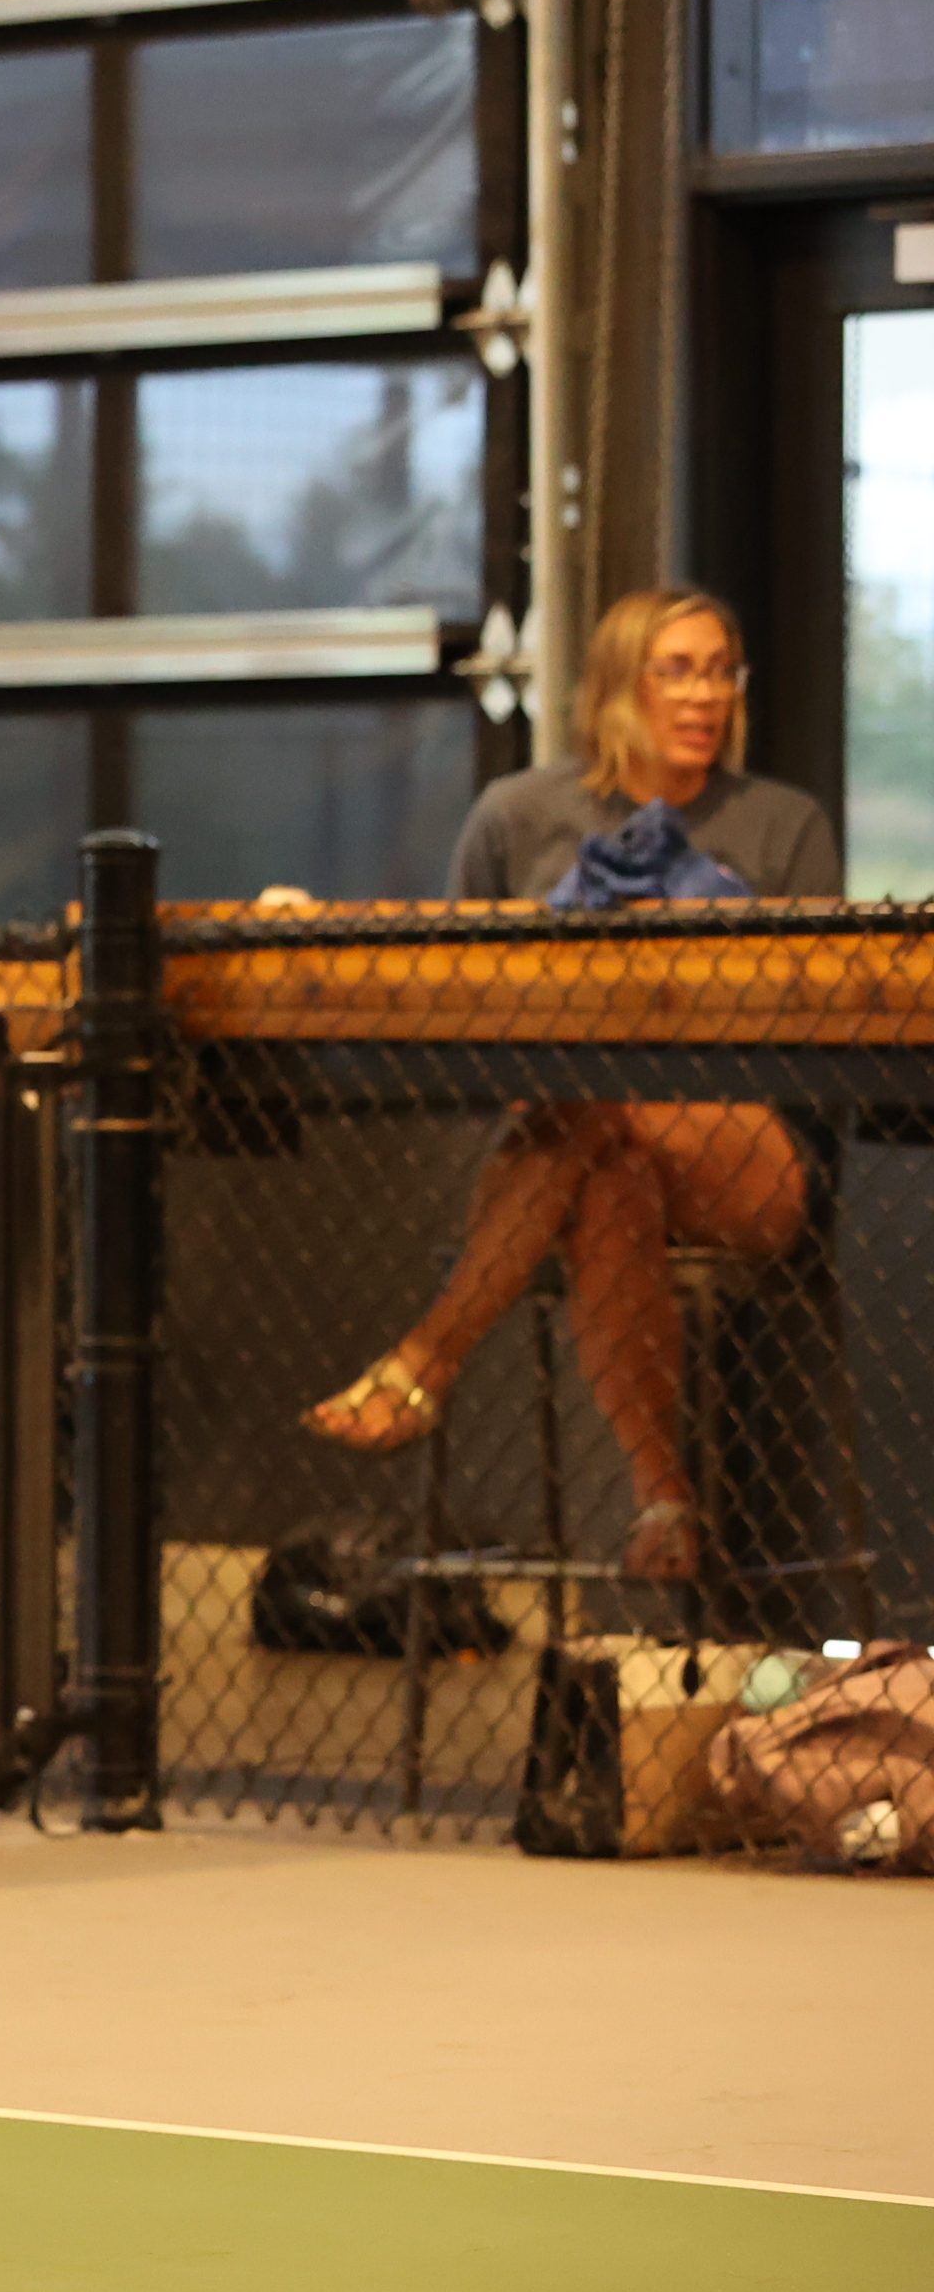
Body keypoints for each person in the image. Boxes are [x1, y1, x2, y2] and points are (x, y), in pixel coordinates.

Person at [302, 589, 838, 1583]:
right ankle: (664, 1498)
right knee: (608, 1170)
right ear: (613, 687)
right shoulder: (519, 817)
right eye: (675, 669)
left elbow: (815, 1023)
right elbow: (457, 1005)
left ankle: (427, 1356)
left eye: (721, 669)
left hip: (749, 1149)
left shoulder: (782, 823)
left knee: (592, 1099)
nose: (704, 693)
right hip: (580, 1141)